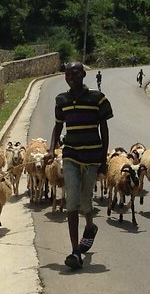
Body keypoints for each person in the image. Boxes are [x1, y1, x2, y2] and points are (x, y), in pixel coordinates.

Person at [45, 61, 112, 270]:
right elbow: (57, 127)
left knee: (85, 202)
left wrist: (103, 160)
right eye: (67, 74)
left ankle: (90, 227)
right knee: (72, 199)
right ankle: (75, 251)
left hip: (92, 157)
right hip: (71, 156)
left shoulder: (98, 99)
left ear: (83, 74)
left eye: (75, 73)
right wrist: (51, 149)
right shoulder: (62, 100)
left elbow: (104, 130)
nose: (71, 77)